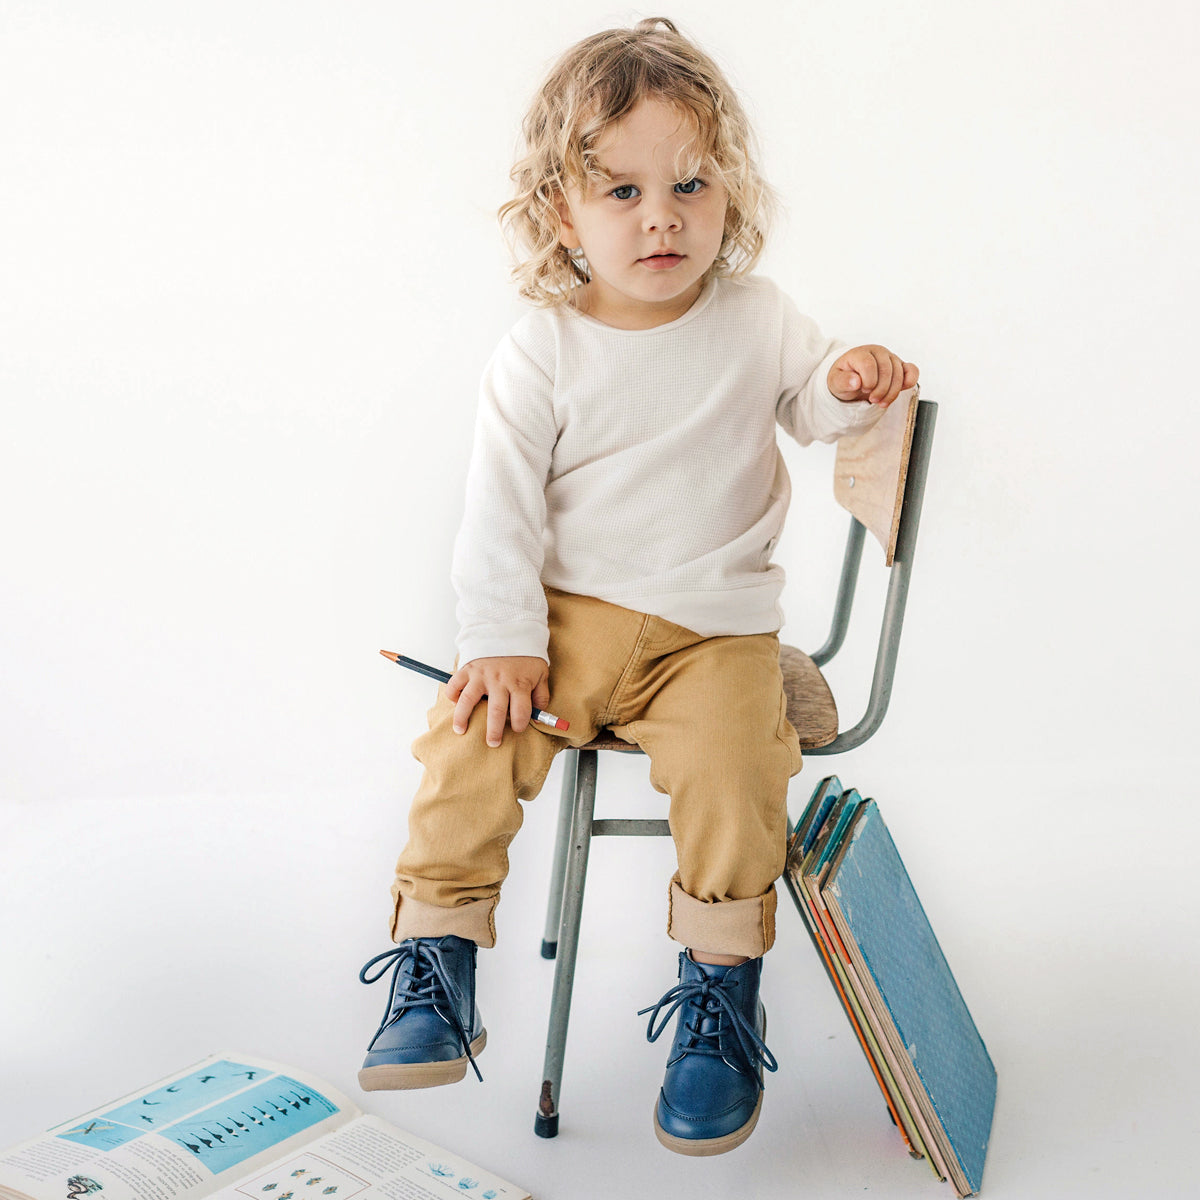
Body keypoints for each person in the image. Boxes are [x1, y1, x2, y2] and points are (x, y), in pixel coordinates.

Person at [356, 16, 918, 1157]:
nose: (662, 215)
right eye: (620, 190)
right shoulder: (543, 349)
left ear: (729, 193)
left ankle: (718, 996)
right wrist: (503, 641)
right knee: (469, 734)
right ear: (561, 214)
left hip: (713, 635)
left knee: (734, 769)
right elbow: (498, 515)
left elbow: (813, 405)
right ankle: (438, 956)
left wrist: (848, 383)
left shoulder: (758, 319)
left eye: (691, 182)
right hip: (559, 630)